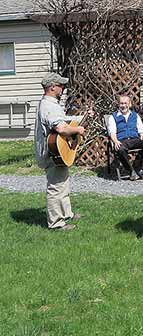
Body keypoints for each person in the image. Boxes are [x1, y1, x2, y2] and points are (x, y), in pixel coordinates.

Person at [34, 73, 86, 231]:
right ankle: (56, 223)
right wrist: (78, 129)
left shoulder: (50, 104)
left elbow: (61, 120)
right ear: (52, 87)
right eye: (61, 85)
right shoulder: (49, 105)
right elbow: (61, 128)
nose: (63, 88)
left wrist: (79, 118)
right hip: (51, 153)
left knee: (63, 183)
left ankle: (66, 213)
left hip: (54, 151)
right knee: (56, 186)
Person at [107, 94, 143, 181]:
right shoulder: (113, 117)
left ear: (130, 104)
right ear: (118, 104)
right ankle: (131, 170)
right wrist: (115, 141)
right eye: (121, 103)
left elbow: (141, 131)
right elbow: (112, 133)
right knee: (120, 149)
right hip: (122, 141)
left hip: (135, 139)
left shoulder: (135, 115)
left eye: (125, 103)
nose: (123, 105)